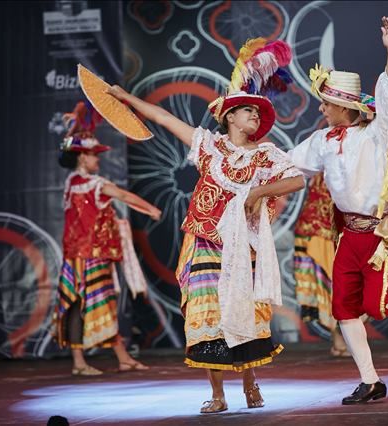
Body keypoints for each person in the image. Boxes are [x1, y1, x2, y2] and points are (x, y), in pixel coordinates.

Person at [106, 38, 305, 413]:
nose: (256, 118)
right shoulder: (208, 146)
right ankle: (217, 394)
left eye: (259, 115)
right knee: (205, 315)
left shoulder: (266, 154)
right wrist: (126, 97)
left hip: (241, 245)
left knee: (242, 314)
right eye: (249, 112)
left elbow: (295, 180)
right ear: (229, 116)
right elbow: (164, 118)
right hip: (204, 241)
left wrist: (260, 190)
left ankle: (250, 382)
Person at [289, 16, 388, 404]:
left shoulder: (376, 135)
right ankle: (371, 380)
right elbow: (287, 164)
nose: (321, 108)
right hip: (348, 235)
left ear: (343, 106)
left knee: (374, 308)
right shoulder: (321, 141)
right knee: (343, 309)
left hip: (378, 235)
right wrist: (245, 166)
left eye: (326, 103)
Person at [53, 101, 162, 376]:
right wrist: (150, 209)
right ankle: (88, 361)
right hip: (90, 255)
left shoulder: (72, 184)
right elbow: (123, 195)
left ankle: (112, 358)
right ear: (82, 158)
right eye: (93, 156)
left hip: (78, 254)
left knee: (81, 304)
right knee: (91, 305)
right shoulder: (94, 184)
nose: (97, 160)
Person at [293, 173, 349, 357]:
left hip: (337, 228)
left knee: (344, 286)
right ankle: (339, 339)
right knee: (329, 286)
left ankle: (344, 339)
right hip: (320, 231)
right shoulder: (323, 156)